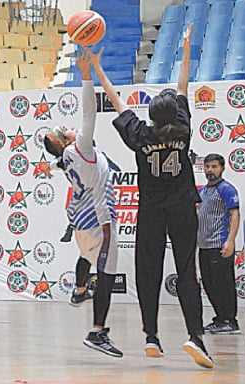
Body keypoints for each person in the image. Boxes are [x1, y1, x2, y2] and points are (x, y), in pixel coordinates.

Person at [95, 24, 213, 368]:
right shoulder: (185, 129)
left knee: (148, 273)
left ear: (150, 115)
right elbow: (183, 85)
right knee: (187, 274)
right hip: (182, 210)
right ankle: (196, 337)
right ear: (173, 113)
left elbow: (115, 100)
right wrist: (187, 46)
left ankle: (151, 337)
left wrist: (99, 68)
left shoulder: (140, 136)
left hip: (150, 212)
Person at [42, 47, 122, 358]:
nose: (73, 127)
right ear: (65, 139)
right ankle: (97, 332)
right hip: (99, 220)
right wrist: (86, 76)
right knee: (106, 275)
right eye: (67, 130)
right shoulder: (80, 148)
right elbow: (89, 112)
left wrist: (48, 167)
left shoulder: (65, 158)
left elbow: (55, 165)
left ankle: (79, 292)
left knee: (92, 266)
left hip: (82, 222)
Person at [197, 153, 241, 335]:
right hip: (204, 246)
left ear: (222, 168)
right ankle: (220, 318)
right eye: (207, 167)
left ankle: (230, 321)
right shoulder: (203, 191)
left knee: (224, 284)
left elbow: (234, 215)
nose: (210, 170)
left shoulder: (227, 189)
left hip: (220, 245)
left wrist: (230, 241)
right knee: (210, 284)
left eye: (214, 167)